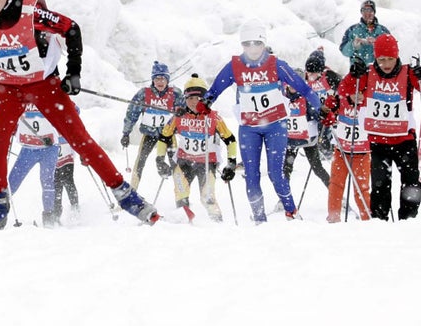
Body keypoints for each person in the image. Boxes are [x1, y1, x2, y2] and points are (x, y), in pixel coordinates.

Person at [0, 0, 159, 230]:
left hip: (44, 85)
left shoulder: (29, 13)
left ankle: (127, 196)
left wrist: (74, 72)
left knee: (79, 140)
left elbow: (71, 28)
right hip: (10, 87)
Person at [201, 19, 320, 222]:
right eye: (247, 44)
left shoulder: (276, 64)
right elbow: (214, 91)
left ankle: (291, 211)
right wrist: (205, 103)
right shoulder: (235, 66)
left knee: (276, 174)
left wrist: (320, 107)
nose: (252, 48)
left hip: (275, 125)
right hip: (249, 128)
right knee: (252, 175)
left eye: (256, 43)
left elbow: (303, 87)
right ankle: (259, 218)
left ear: (263, 43)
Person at [349, 33, 421, 221]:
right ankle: (380, 221)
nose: (386, 64)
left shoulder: (408, 72)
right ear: (375, 58)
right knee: (380, 185)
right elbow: (345, 90)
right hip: (379, 142)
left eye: (390, 59)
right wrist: (353, 74)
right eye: (381, 59)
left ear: (397, 56)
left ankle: (409, 218)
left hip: (405, 139)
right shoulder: (368, 74)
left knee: (411, 183)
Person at [156, 74, 238, 223]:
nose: (194, 102)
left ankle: (218, 225)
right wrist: (159, 159)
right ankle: (185, 227)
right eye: (190, 98)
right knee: (181, 195)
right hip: (183, 162)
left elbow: (230, 140)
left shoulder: (214, 117)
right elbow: (164, 137)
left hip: (207, 163)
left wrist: (231, 163)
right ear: (185, 98)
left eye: (198, 98)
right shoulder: (178, 116)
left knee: (208, 198)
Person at [120, 61, 182, 190]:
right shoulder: (144, 93)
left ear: (167, 80)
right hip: (150, 134)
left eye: (163, 78)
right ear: (153, 79)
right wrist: (126, 133)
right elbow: (132, 114)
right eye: (157, 78)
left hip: (168, 135)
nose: (160, 82)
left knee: (176, 162)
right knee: (140, 161)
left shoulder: (175, 93)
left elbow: (184, 112)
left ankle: (181, 195)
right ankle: (132, 191)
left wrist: (181, 112)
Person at [323, 74, 372, 222]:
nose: (358, 96)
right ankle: (333, 217)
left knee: (361, 189)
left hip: (362, 153)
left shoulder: (370, 104)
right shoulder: (341, 100)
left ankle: (368, 218)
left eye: (362, 92)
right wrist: (327, 114)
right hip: (341, 152)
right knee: (335, 186)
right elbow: (327, 113)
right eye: (354, 92)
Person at [6, 102, 60, 227]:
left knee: (47, 180)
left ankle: (49, 217)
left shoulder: (48, 94)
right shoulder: (20, 97)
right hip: (28, 148)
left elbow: (74, 111)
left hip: (49, 148)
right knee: (13, 180)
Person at [281, 72, 331, 197]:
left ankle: (336, 195)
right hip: (291, 140)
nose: (293, 86)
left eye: (296, 83)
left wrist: (321, 115)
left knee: (317, 169)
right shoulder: (283, 98)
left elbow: (316, 114)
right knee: (286, 170)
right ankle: (284, 199)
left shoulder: (307, 98)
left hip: (307, 140)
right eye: (291, 82)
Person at [303, 48, 341, 158]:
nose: (310, 75)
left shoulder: (329, 76)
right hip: (317, 110)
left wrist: (335, 106)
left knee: (326, 131)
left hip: (330, 109)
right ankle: (317, 148)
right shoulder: (307, 77)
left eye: (313, 73)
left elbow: (341, 91)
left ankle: (328, 151)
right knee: (315, 130)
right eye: (308, 72)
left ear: (319, 71)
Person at [339, 0, 391, 65]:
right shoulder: (352, 30)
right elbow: (344, 52)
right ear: (361, 12)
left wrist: (378, 44)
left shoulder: (383, 31)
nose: (367, 13)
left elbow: (391, 52)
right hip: (357, 71)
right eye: (364, 10)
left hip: (378, 71)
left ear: (374, 12)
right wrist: (353, 45)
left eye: (369, 10)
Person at [53, 132, 80, 223]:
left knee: (68, 181)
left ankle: (75, 210)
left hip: (67, 151)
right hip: (52, 154)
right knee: (56, 185)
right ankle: (56, 215)